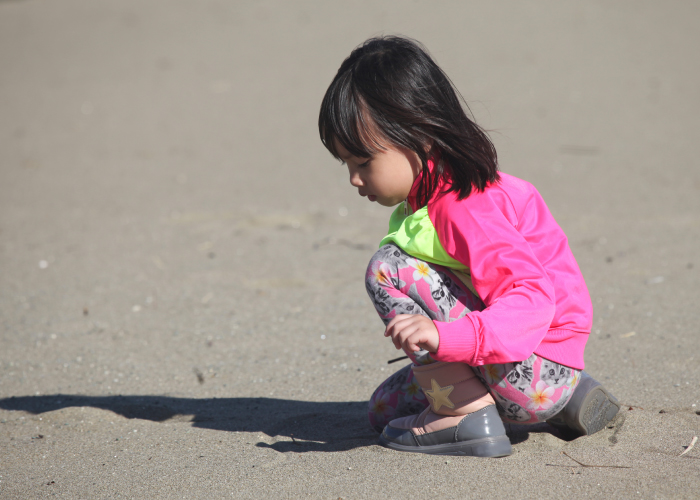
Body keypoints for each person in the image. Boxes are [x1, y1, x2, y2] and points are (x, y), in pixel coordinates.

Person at [318, 36, 620, 457]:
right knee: (383, 411)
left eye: (364, 161)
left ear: (419, 135)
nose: (353, 178)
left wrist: (444, 336)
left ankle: (465, 416)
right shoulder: (438, 196)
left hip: (530, 369)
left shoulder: (465, 206)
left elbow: (532, 299)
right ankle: (569, 400)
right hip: (540, 367)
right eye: (346, 164)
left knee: (387, 267)